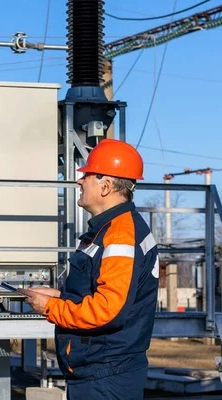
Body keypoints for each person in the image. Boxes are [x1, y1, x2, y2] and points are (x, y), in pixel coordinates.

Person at [18, 139, 159, 400]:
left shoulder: (120, 235)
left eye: (88, 176)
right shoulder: (108, 230)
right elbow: (102, 291)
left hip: (106, 376)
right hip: (100, 373)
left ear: (106, 186)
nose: (80, 181)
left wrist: (49, 307)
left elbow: (108, 310)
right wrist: (61, 296)